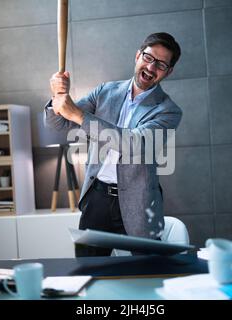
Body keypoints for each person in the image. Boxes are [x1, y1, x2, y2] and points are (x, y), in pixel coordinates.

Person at [44, 32, 182, 256]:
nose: (151, 67)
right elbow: (59, 124)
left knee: (147, 273)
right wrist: (57, 96)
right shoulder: (104, 92)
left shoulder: (168, 111)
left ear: (168, 72)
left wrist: (79, 116)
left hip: (140, 202)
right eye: (148, 58)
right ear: (138, 56)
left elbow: (134, 144)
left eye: (161, 64)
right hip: (97, 197)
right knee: (89, 270)